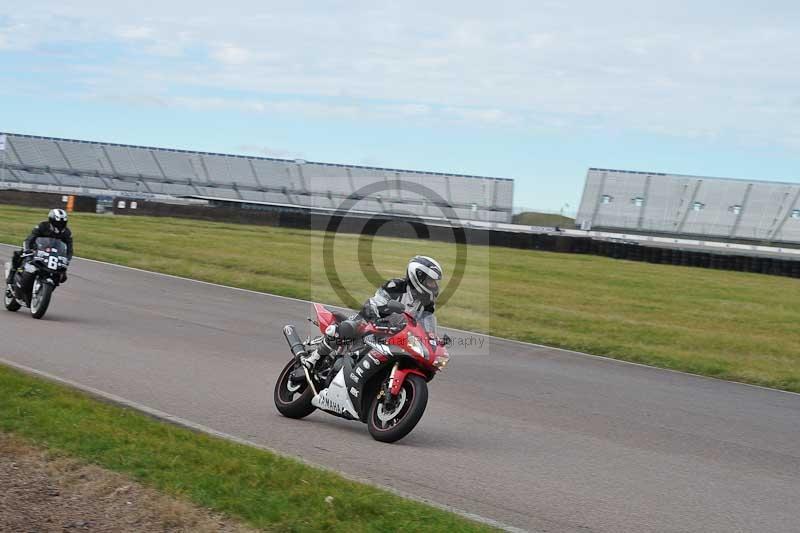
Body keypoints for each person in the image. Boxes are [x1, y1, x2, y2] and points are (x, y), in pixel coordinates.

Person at [301, 255, 443, 369]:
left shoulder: (427, 304)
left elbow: (427, 325)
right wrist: (380, 313)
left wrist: (433, 340)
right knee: (348, 328)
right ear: (418, 277)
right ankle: (313, 358)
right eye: (430, 281)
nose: (434, 285)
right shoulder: (396, 286)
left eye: (434, 282)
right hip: (372, 320)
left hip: (396, 334)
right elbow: (375, 302)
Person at [6, 209, 73, 286]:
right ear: (51, 221)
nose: (60, 225)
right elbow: (29, 239)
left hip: (54, 254)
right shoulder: (42, 226)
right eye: (57, 223)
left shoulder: (67, 232)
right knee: (18, 254)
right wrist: (27, 250)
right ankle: (12, 273)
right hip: (37, 249)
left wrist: (67, 260)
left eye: (62, 223)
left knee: (62, 277)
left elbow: (69, 248)